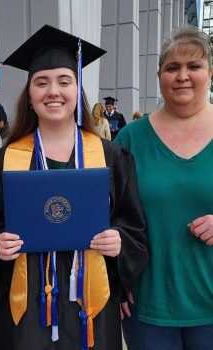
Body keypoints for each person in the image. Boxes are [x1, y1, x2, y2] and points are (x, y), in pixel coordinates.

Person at [0, 24, 149, 350]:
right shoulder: (4, 158)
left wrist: (121, 242)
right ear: (29, 95)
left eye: (64, 81)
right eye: (41, 83)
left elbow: (135, 228)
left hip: (91, 305)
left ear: (78, 91)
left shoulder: (111, 157)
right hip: (27, 305)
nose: (53, 91)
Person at [115, 26, 213, 350]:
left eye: (193, 66)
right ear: (159, 76)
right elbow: (107, 213)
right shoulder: (131, 138)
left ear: (210, 72)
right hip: (148, 308)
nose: (182, 76)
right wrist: (114, 279)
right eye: (173, 67)